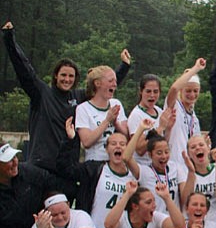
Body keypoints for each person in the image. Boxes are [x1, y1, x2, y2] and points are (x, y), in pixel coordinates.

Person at [2, 22, 130, 197]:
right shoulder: (41, 94)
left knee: (63, 216)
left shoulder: (77, 99)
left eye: (71, 76)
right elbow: (23, 69)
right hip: (40, 167)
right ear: (56, 75)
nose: (67, 79)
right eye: (63, 75)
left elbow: (101, 88)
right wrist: (9, 38)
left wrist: (123, 67)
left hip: (66, 171)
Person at [56, 118, 136, 228]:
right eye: (113, 144)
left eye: (123, 144)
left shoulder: (135, 176)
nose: (118, 147)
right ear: (106, 148)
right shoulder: (93, 169)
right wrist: (69, 141)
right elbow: (65, 169)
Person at [0, 142, 58, 228]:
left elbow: (52, 184)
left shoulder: (30, 173)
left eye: (14, 157)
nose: (14, 162)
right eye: (7, 160)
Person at [124, 120, 187, 216]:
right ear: (150, 154)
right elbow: (126, 157)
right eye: (159, 153)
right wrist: (140, 129)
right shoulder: (144, 172)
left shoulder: (175, 167)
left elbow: (185, 196)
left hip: (173, 224)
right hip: (153, 223)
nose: (164, 156)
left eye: (166, 152)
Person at [75, 65, 129, 161]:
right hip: (96, 163)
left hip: (116, 162)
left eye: (115, 81)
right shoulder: (83, 109)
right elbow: (86, 142)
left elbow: (127, 136)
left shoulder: (116, 104)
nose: (115, 84)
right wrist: (107, 121)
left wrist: (116, 123)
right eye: (110, 81)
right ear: (97, 83)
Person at [164, 58, 207, 165]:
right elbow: (174, 88)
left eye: (195, 91)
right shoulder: (175, 106)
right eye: (188, 90)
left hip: (189, 166)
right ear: (181, 90)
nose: (192, 95)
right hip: (174, 163)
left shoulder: (194, 117)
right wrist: (196, 68)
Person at [127, 74, 176, 166]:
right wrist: (160, 128)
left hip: (158, 165)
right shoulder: (136, 115)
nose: (152, 95)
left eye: (156, 91)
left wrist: (168, 128)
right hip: (143, 166)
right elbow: (139, 149)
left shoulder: (158, 111)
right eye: (148, 91)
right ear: (141, 91)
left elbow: (163, 142)